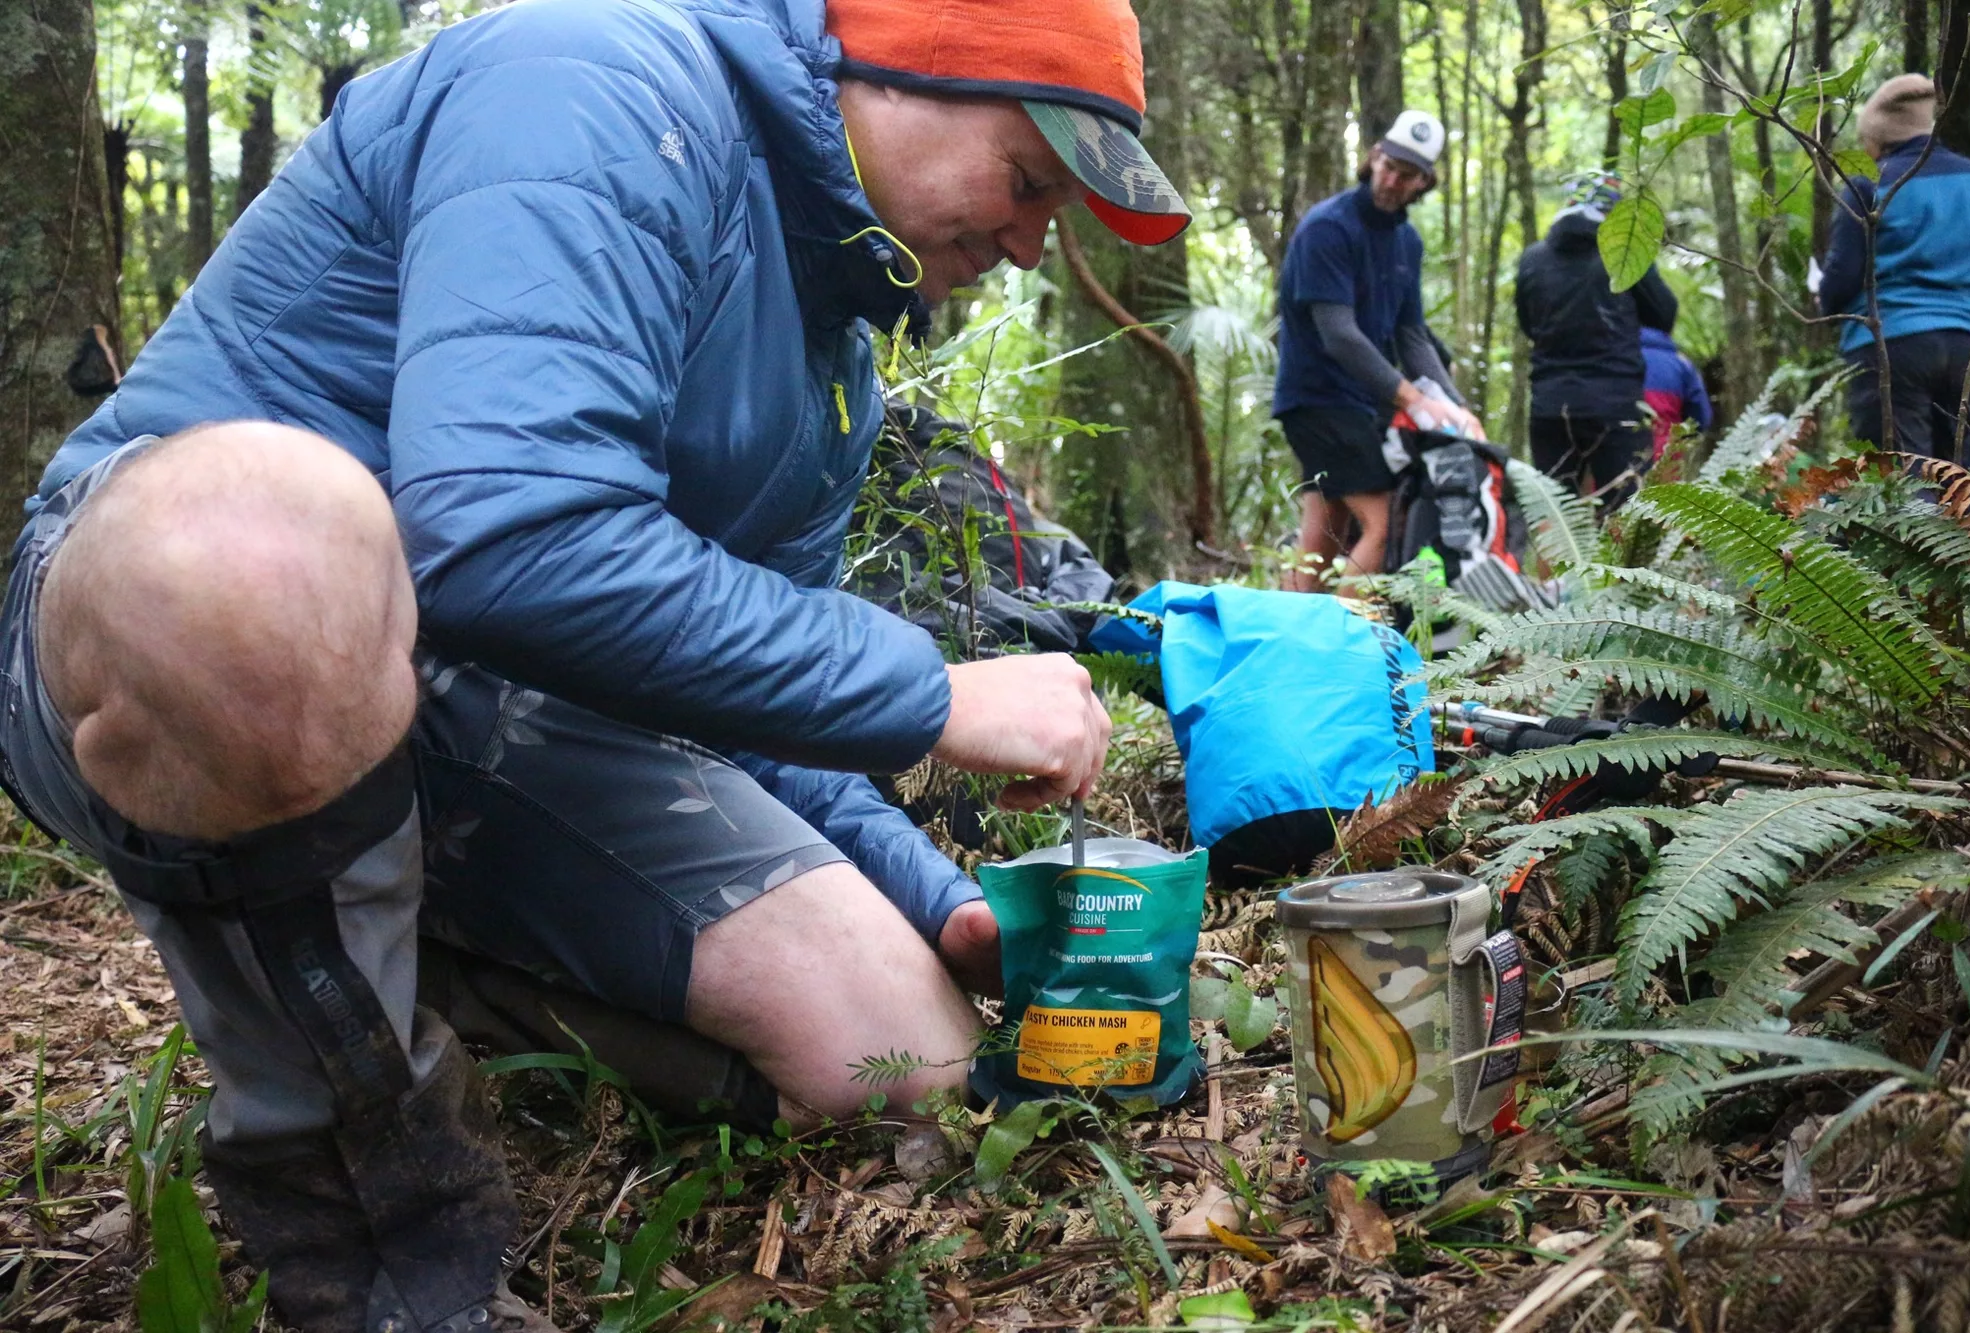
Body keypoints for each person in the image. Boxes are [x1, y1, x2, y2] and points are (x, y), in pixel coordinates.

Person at [0, 0, 1192, 1328]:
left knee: (896, 1050)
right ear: (899, 69)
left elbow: (751, 701)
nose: (1031, 244)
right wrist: (929, 692)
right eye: (1026, 184)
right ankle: (380, 1240)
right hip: (176, 630)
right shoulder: (598, 82)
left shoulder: (834, 354)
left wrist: (935, 903)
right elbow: (502, 535)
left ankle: (427, 972)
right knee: (261, 560)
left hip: (488, 705)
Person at [1272, 110, 1482, 589]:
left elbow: (1412, 335)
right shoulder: (1329, 227)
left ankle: (1292, 637)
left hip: (1361, 404)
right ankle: (1350, 647)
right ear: (1374, 157)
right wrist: (1413, 399)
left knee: (1324, 535)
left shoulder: (1406, 241)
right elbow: (1338, 334)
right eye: (1388, 165)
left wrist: (1455, 407)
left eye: (1406, 174)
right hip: (1318, 400)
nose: (1391, 180)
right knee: (1385, 525)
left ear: (1423, 182)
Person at [1819, 73, 1970, 460]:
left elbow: (1840, 280)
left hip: (1889, 345)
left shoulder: (1867, 186)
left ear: (1878, 137)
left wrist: (1824, 300)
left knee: (1903, 479)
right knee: (1961, 479)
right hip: (1963, 344)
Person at [1514, 175, 1677, 506]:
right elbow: (1664, 313)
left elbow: (1529, 326)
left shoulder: (1532, 259)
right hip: (1615, 405)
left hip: (1550, 406)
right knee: (1626, 519)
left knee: (1556, 520)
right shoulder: (1624, 255)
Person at [1641, 325, 1714, 458]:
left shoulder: (1607, 359)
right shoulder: (1682, 364)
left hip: (1611, 466)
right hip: (1665, 464)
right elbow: (1700, 419)